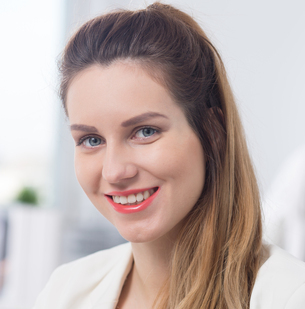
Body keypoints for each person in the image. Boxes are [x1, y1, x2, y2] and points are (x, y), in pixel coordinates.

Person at [33, 2, 305, 309]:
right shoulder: (66, 290)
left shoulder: (289, 297)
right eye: (91, 139)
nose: (114, 171)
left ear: (212, 132)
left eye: (145, 131)